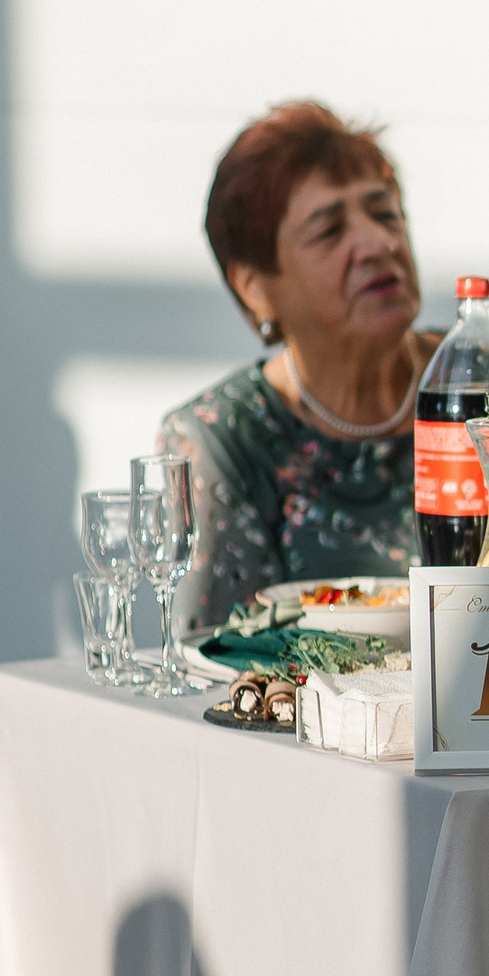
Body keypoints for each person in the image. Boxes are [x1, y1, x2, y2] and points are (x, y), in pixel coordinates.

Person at [161, 102, 437, 627]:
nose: (378, 244)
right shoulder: (224, 439)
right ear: (255, 288)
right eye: (329, 231)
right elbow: (218, 655)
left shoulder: (480, 384)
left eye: (385, 214)